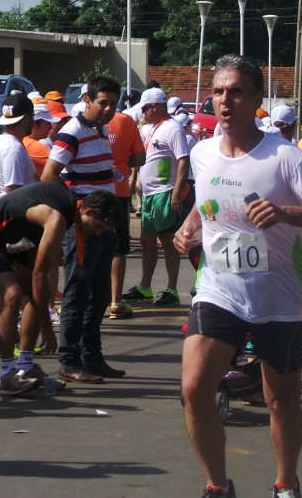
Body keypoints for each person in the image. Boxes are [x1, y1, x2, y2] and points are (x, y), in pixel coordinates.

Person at [175, 54, 302, 498]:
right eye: (218, 91)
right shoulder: (202, 151)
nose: (224, 101)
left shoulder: (284, 157)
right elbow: (208, 195)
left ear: (256, 101)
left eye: (236, 92)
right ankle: (217, 486)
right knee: (194, 389)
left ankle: (286, 485)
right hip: (218, 289)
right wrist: (190, 225)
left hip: (278, 296)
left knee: (280, 400)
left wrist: (285, 212)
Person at [0, 183, 122, 395]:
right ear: (87, 211)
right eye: (98, 226)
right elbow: (39, 276)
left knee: (36, 294)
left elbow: (40, 279)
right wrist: (46, 326)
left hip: (20, 239)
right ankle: (7, 373)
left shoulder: (70, 212)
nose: (96, 233)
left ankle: (26, 365)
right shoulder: (57, 218)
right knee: (12, 295)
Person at [41, 76, 124, 383]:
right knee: (77, 295)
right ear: (88, 100)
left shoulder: (100, 131)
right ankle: (69, 360)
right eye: (103, 102)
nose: (108, 109)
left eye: (113, 104)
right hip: (84, 227)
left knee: (101, 296)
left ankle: (91, 357)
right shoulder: (72, 133)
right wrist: (77, 209)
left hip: (104, 225)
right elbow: (50, 174)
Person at [121, 88, 190, 308]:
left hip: (165, 191)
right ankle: (145, 287)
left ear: (154, 107)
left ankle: (171, 289)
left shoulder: (173, 128)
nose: (143, 113)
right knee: (146, 241)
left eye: (144, 109)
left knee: (168, 240)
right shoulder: (150, 128)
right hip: (149, 194)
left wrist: (177, 192)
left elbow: (183, 160)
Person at [107, 109, 146, 319]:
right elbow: (140, 156)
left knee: (88, 246)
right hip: (118, 191)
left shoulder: (79, 120)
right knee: (117, 249)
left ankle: (91, 298)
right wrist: (122, 162)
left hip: (88, 192)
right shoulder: (125, 120)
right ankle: (115, 302)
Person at [22, 101, 60, 178]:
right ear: (34, 124)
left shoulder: (27, 141)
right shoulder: (32, 146)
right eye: (47, 123)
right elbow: (62, 163)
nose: (51, 127)